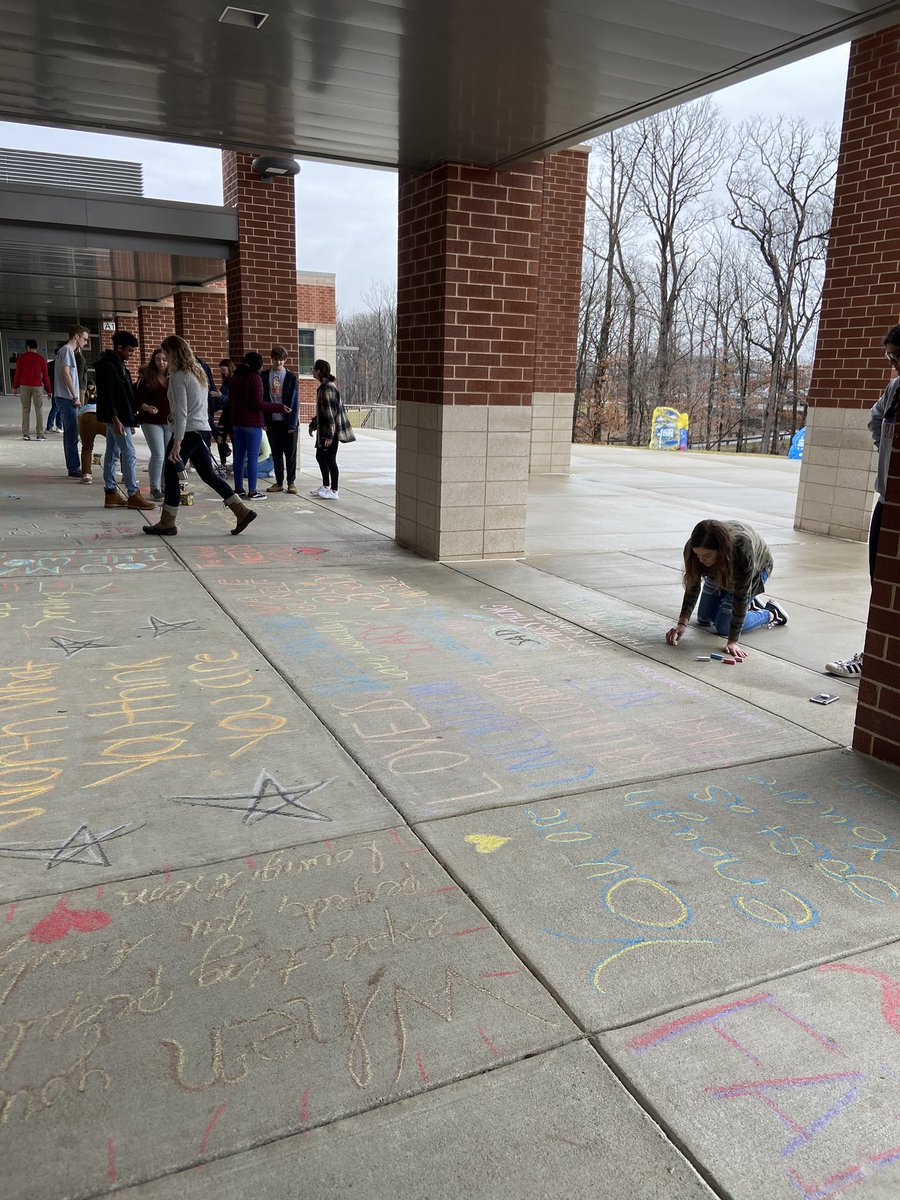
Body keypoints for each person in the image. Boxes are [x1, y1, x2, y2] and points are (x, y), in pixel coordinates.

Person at [825, 324, 899, 678]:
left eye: (898, 355)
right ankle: (873, 654)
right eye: (890, 356)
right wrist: (886, 453)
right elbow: (875, 420)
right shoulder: (896, 389)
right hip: (886, 503)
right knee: (879, 588)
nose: (894, 363)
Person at [142, 335, 258, 538]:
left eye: (167, 354)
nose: (166, 359)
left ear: (173, 353)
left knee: (170, 475)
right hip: (201, 430)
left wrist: (177, 443)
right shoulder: (197, 373)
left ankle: (167, 522)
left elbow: (182, 411)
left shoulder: (179, 376)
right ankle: (242, 511)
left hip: (187, 432)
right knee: (208, 475)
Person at [666, 519, 788, 660]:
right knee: (704, 618)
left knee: (723, 628)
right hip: (718, 571)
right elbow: (692, 585)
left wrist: (732, 642)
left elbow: (740, 596)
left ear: (721, 550)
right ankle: (750, 603)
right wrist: (681, 623)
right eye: (697, 554)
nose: (700, 560)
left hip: (754, 571)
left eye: (706, 556)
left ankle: (771, 612)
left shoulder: (742, 548)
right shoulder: (693, 548)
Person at [94, 330, 155, 510]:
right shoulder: (108, 366)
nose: (131, 354)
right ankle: (132, 493)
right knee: (128, 453)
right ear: (119, 347)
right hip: (115, 417)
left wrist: (130, 419)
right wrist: (116, 419)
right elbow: (107, 395)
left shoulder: (118, 365)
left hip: (120, 417)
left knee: (112, 453)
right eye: (129, 351)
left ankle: (111, 493)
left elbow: (124, 395)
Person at [228, 351, 291, 500]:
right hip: (253, 423)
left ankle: (238, 489)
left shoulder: (235, 378)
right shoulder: (255, 378)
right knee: (252, 457)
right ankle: (252, 491)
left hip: (237, 423)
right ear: (258, 365)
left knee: (238, 457)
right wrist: (279, 407)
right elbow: (257, 403)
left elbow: (230, 402)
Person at [308, 359, 355, 499]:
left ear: (318, 371)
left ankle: (334, 491)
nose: (312, 371)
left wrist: (329, 435)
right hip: (325, 430)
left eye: (313, 369)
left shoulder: (327, 388)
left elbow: (329, 413)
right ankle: (326, 486)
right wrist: (313, 424)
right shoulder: (325, 386)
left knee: (329, 459)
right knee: (320, 457)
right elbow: (323, 411)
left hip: (330, 431)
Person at [53, 325, 90, 477]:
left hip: (63, 396)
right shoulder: (67, 351)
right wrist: (75, 396)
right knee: (72, 434)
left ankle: (73, 466)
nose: (86, 342)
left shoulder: (64, 351)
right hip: (67, 397)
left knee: (70, 433)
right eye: (85, 338)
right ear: (76, 336)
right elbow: (66, 373)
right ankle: (74, 467)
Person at [262, 345, 300, 494]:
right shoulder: (265, 376)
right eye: (276, 360)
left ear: (285, 360)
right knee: (276, 454)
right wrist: (265, 421)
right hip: (272, 421)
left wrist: (292, 423)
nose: (278, 363)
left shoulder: (290, 377)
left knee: (290, 454)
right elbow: (263, 399)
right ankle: (279, 483)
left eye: (281, 360)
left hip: (288, 422)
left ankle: (291, 482)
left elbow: (295, 401)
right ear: (271, 359)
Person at [135, 347, 171, 500]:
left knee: (168, 455)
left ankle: (165, 485)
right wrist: (147, 407)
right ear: (153, 360)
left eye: (164, 359)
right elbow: (138, 400)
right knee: (158, 454)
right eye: (158, 359)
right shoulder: (147, 378)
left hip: (169, 420)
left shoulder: (173, 377)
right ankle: (155, 488)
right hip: (150, 420)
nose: (161, 362)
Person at [12, 339, 51, 440]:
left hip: (24, 385)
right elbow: (46, 376)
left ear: (27, 347)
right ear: (36, 347)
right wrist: (49, 390)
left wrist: (14, 386)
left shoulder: (22, 358)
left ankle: (26, 434)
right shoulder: (41, 359)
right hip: (37, 386)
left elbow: (17, 373)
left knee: (25, 409)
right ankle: (40, 434)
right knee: (39, 410)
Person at [77, 380, 106, 484]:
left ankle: (86, 475)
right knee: (117, 445)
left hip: (87, 417)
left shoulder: (86, 399)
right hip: (103, 418)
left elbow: (79, 415)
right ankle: (125, 475)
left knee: (87, 447)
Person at [211, 358, 234, 469]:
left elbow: (233, 400)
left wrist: (220, 396)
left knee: (235, 440)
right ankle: (223, 463)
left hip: (233, 416)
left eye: (224, 369)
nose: (222, 372)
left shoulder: (235, 381)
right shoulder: (226, 382)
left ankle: (236, 464)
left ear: (230, 368)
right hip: (225, 415)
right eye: (221, 370)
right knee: (220, 438)